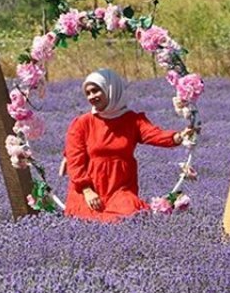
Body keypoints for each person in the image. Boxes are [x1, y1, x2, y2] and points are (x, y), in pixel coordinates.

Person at [63, 68, 193, 223]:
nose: (92, 97)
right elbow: (74, 161)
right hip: (89, 190)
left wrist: (178, 137)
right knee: (89, 220)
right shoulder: (82, 123)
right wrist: (87, 190)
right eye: (88, 93)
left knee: (132, 215)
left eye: (96, 91)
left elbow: (154, 134)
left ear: (110, 89)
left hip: (120, 187)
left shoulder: (132, 120)